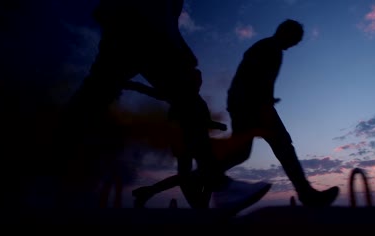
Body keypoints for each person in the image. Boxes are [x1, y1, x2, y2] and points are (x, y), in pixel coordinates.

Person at [50, 0, 271, 209]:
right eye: (197, 78)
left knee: (95, 94)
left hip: (136, 25)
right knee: (185, 102)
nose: (199, 80)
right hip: (140, 25)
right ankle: (219, 189)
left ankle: (49, 163)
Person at [226, 19, 339, 207]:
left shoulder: (269, 48)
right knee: (283, 146)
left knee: (241, 153)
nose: (294, 45)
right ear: (286, 32)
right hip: (251, 106)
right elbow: (252, 77)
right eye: (295, 39)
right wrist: (262, 105)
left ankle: (204, 175)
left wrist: (265, 100)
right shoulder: (269, 47)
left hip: (248, 105)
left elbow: (256, 79)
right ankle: (307, 194)